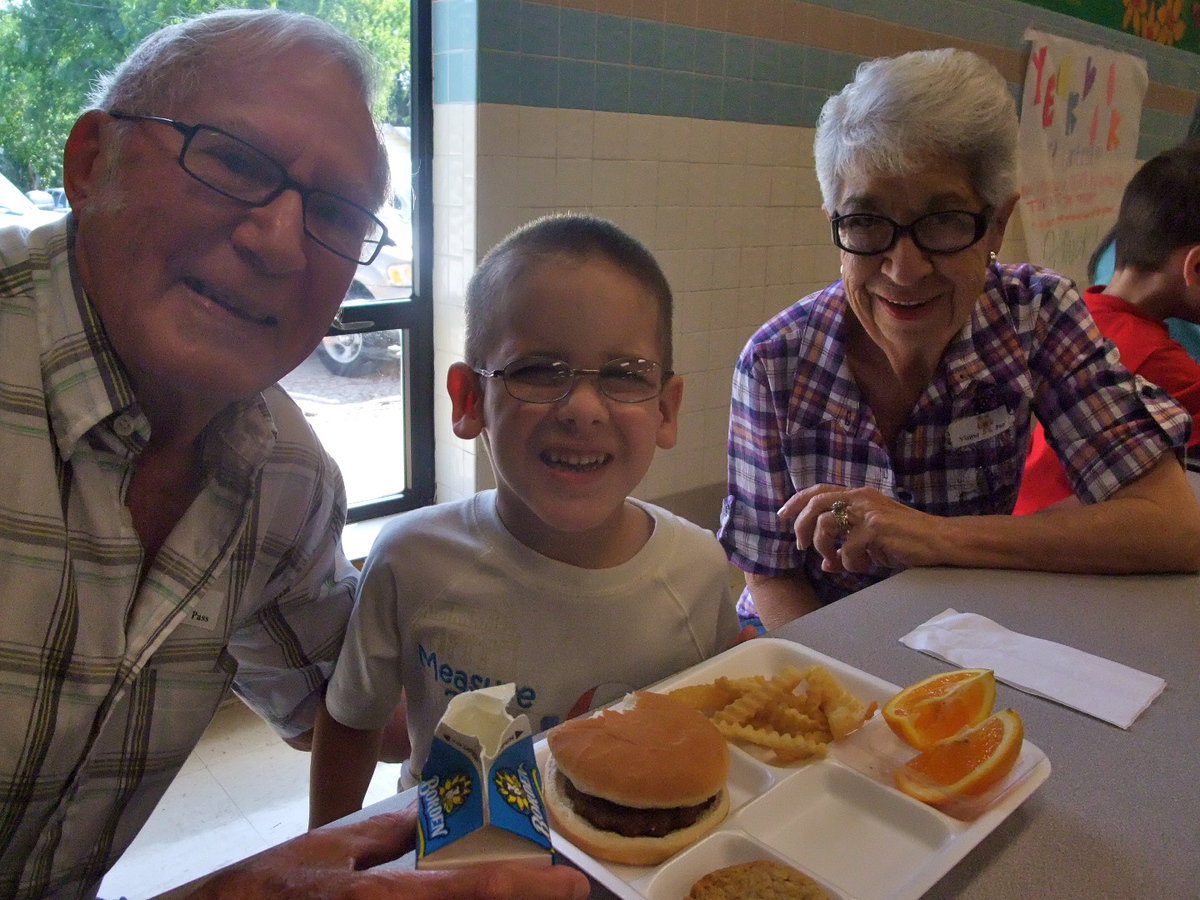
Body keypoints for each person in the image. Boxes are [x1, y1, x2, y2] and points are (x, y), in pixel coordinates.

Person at [0, 9, 587, 900]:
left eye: (335, 212)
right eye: (233, 161)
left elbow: (331, 703)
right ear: (91, 163)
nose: (278, 240)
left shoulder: (284, 479)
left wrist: (521, 699)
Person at [717, 48, 1200, 631]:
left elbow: (1172, 526)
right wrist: (849, 686)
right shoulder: (775, 362)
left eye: (943, 221)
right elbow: (769, 573)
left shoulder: (1034, 316)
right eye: (867, 222)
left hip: (964, 634)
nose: (904, 269)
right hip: (813, 640)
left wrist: (935, 536)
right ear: (835, 223)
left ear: (997, 223)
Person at [310, 213, 743, 828]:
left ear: (666, 410)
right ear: (468, 401)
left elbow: (708, 730)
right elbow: (352, 719)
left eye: (623, 376)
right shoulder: (413, 558)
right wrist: (325, 863)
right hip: (446, 843)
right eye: (538, 370)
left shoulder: (698, 570)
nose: (584, 409)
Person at [1016, 141, 1200, 512]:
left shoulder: (1075, 318)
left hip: (1021, 526)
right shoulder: (1164, 367)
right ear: (1195, 267)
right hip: (1063, 556)